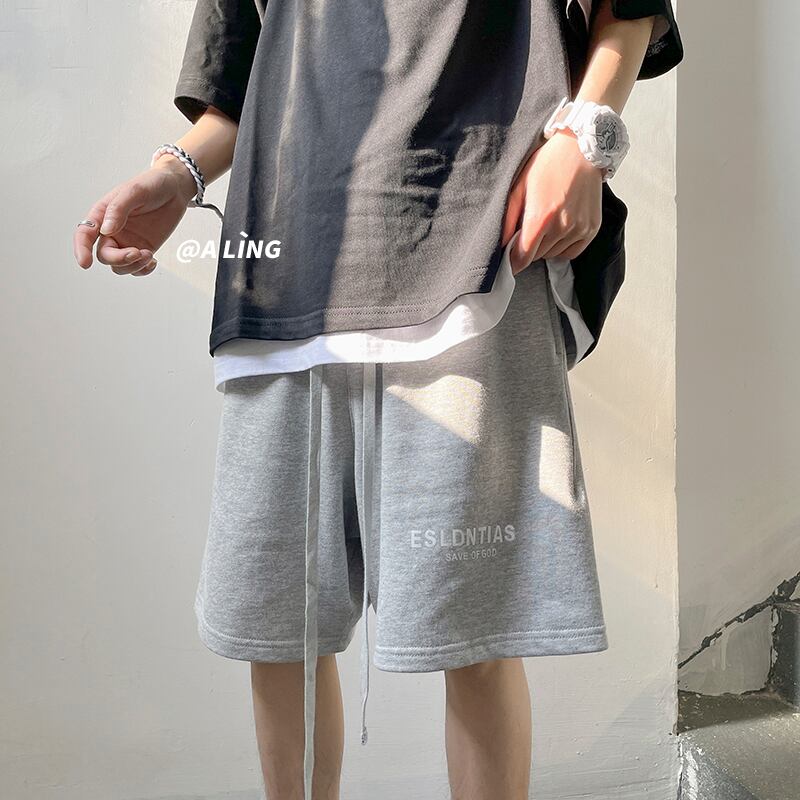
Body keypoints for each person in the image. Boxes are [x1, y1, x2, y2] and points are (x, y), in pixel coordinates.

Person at [72, 1, 683, 798]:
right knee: (279, 629)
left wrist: (584, 138)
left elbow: (626, 8)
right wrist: (173, 176)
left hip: (477, 247)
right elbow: (241, 80)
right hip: (290, 270)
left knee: (476, 632)